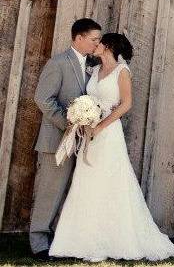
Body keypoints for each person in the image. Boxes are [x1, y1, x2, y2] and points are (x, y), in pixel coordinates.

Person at [48, 33, 174, 262]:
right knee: (86, 182)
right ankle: (79, 240)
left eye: (99, 42)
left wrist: (101, 125)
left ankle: (118, 238)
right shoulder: (94, 70)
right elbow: (88, 99)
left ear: (108, 47)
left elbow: (126, 104)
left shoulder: (122, 71)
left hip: (108, 133)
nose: (95, 45)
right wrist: (83, 118)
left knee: (110, 182)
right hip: (89, 134)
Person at [31, 18, 102, 260]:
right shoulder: (59, 62)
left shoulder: (93, 64)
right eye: (94, 39)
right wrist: (68, 124)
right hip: (56, 142)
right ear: (78, 38)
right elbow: (43, 99)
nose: (97, 44)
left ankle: (63, 240)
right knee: (50, 192)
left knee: (73, 193)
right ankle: (39, 243)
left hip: (82, 144)